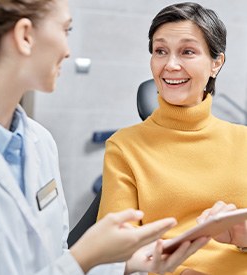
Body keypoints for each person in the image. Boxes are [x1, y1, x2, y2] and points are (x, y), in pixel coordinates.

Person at [0, 1, 210, 275]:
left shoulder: (39, 142)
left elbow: (55, 258)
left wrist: (126, 266)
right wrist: (85, 256)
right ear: (25, 36)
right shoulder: (125, 146)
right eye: (66, 30)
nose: (68, 50)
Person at [97, 2, 247, 275]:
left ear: (216, 63)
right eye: (160, 51)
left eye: (187, 51)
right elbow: (114, 251)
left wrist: (243, 240)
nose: (171, 65)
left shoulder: (244, 141)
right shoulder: (124, 147)